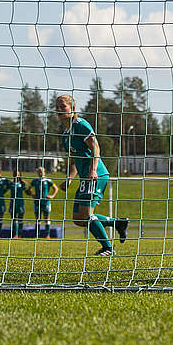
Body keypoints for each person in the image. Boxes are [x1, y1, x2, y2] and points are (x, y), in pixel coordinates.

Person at [54, 94, 129, 256]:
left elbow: (96, 147)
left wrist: (93, 170)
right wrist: (69, 178)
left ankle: (108, 248)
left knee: (87, 215)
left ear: (73, 108)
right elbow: (74, 159)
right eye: (57, 107)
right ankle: (117, 223)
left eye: (63, 107)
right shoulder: (66, 134)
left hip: (96, 175)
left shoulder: (81, 125)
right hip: (84, 178)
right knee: (78, 218)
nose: (59, 110)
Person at [32, 166, 58, 237]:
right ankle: (37, 235)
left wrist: (52, 196)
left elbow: (56, 188)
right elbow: (29, 189)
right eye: (39, 171)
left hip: (46, 202)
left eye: (41, 171)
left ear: (44, 172)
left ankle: (47, 235)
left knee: (47, 219)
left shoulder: (48, 181)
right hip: (37, 202)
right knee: (38, 219)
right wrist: (32, 194)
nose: (40, 173)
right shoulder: (35, 181)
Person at [10, 171, 26, 236]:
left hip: (20, 203)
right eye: (15, 174)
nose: (16, 176)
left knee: (20, 218)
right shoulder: (10, 183)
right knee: (14, 218)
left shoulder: (22, 183)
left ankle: (20, 234)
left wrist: (32, 194)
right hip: (13, 203)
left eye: (18, 174)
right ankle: (15, 235)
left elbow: (26, 191)